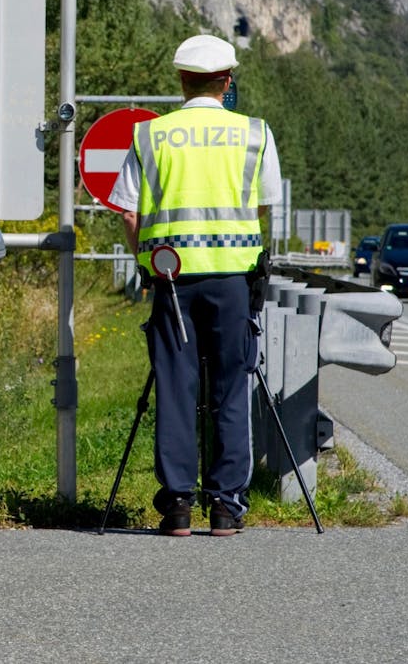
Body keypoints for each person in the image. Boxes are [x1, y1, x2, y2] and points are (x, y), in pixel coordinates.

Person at [107, 33, 281, 537]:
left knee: (175, 387)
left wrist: (147, 263)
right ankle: (226, 506)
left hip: (171, 280)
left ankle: (177, 505)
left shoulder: (150, 136)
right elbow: (264, 205)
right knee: (231, 387)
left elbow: (127, 209)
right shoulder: (255, 133)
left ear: (181, 81)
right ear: (227, 82)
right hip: (231, 280)